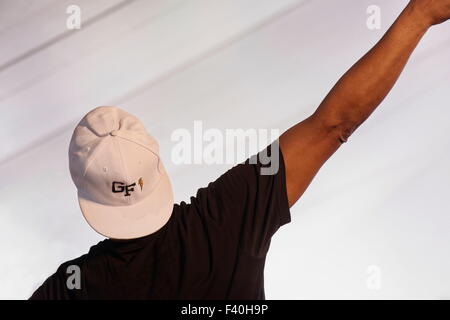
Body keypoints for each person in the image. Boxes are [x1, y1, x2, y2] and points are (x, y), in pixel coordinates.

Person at [30, 0, 450, 299]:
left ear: (85, 196)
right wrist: (421, 13)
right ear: (157, 166)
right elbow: (333, 124)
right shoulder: (223, 219)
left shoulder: (71, 289)